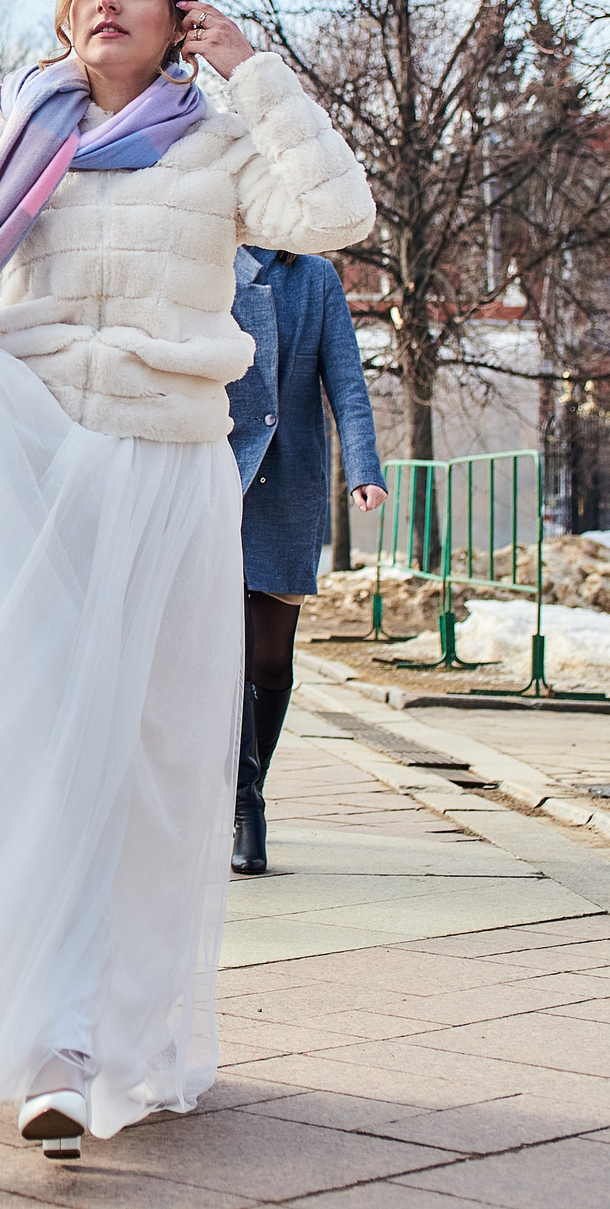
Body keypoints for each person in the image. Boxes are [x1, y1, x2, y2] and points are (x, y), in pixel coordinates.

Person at [0, 0, 372, 1154]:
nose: (108, 3)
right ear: (67, 11)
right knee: (28, 745)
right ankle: (39, 1038)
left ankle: (108, 1032)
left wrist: (252, 68)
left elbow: (335, 210)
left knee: (141, 765)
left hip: (163, 468)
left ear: (178, 16)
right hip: (36, 460)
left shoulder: (218, 140)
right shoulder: (20, 126)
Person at [226, 246, 385, 875]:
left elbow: (345, 379)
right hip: (215, 471)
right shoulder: (207, 255)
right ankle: (244, 807)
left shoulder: (313, 276)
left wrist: (364, 468)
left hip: (288, 476)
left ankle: (250, 786)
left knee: (271, 658)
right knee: (231, 652)